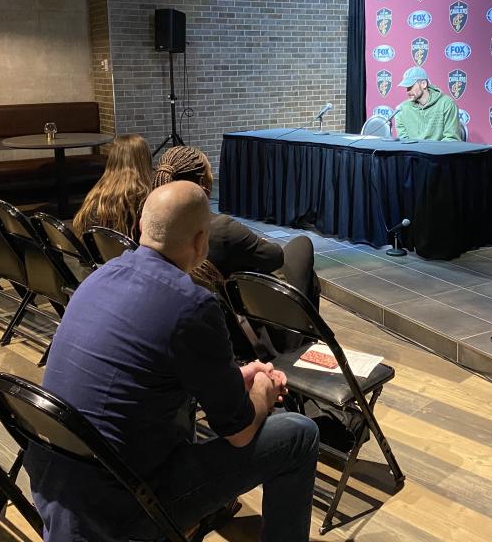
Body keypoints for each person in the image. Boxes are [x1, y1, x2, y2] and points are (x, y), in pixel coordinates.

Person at [25, 181, 320, 541]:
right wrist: (263, 389)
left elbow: (142, 375)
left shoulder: (99, 276)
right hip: (120, 507)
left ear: (139, 230)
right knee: (299, 435)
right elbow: (241, 434)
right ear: (200, 243)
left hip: (55, 485)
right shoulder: (192, 305)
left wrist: (232, 378)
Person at [152, 145, 322, 312]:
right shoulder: (221, 228)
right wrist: (256, 243)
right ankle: (300, 331)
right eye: (210, 172)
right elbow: (274, 257)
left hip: (183, 313)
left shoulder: (151, 223)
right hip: (242, 322)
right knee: (303, 244)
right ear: (203, 183)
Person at [72, 133, 153, 238]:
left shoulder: (96, 194)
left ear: (112, 160)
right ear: (145, 161)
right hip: (128, 253)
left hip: (98, 252)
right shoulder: (143, 197)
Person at [395, 66, 462, 142]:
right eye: (406, 87)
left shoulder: (446, 104)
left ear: (423, 84)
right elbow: (403, 141)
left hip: (439, 153)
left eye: (410, 86)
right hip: (412, 153)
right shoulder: (401, 109)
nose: (407, 91)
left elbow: (452, 139)